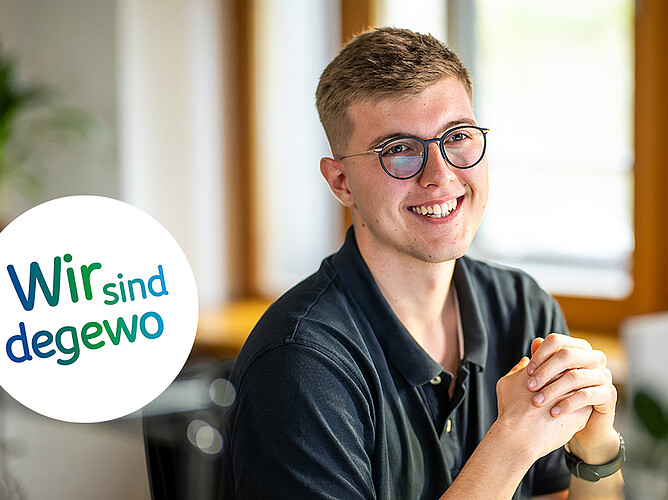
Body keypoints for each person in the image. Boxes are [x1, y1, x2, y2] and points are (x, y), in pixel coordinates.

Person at [220, 27, 624, 499]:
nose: (440, 175)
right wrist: (510, 442)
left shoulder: (522, 307)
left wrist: (595, 448)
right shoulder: (296, 365)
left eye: (457, 137)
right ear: (341, 182)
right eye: (399, 150)